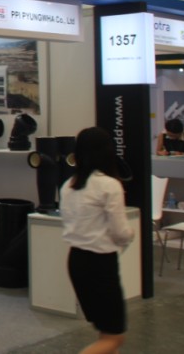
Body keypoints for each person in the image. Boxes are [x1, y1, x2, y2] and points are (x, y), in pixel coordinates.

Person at [60, 127, 135, 354]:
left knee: (105, 332)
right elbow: (120, 232)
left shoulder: (68, 185)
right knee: (114, 337)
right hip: (100, 264)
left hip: (77, 261)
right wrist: (131, 234)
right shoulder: (109, 185)